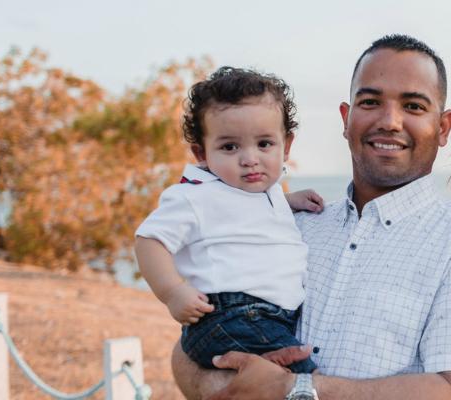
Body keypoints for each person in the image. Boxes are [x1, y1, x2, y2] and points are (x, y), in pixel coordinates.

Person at [171, 34, 451, 400]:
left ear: (444, 127)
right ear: (346, 117)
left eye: (414, 107)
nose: (390, 121)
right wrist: (232, 385)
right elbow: (189, 347)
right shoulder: (292, 225)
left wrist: (294, 389)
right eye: (370, 102)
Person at [135, 67, 317, 374]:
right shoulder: (196, 196)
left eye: (264, 144)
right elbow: (149, 241)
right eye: (230, 147)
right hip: (229, 316)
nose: (249, 158)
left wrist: (288, 203)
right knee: (306, 380)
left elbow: (246, 218)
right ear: (201, 153)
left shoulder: (266, 191)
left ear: (285, 146)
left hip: (268, 318)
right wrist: (172, 292)